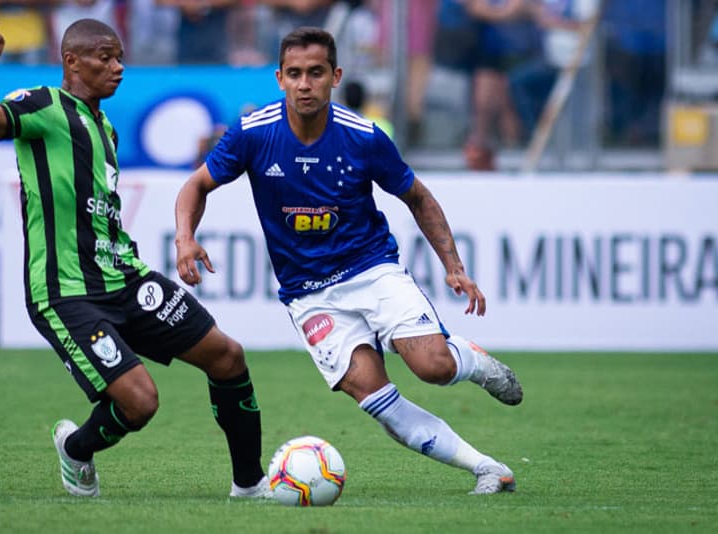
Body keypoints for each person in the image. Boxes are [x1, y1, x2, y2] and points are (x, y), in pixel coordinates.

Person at [175, 27, 523, 495]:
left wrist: (454, 266)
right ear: (279, 78)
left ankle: (472, 362)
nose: (304, 84)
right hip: (308, 294)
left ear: (335, 76)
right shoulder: (253, 134)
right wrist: (184, 238)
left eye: (315, 73)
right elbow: (195, 185)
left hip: (370, 269)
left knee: (433, 367)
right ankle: (489, 469)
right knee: (376, 397)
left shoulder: (363, 138)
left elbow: (417, 197)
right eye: (294, 74)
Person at [0, 18, 268, 499]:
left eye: (120, 57)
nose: (118, 67)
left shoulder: (106, 128)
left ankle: (250, 485)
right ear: (71, 61)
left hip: (124, 278)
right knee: (140, 403)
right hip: (67, 292)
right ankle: (77, 449)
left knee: (227, 357)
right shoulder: (42, 104)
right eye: (105, 57)